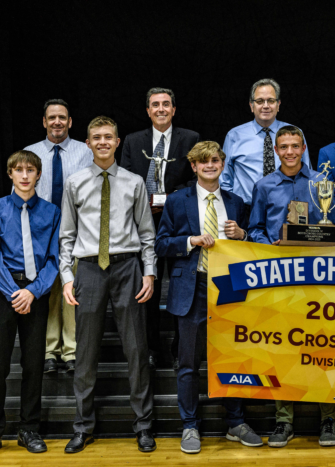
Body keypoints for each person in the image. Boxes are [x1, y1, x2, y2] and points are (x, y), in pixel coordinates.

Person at [155, 141, 263, 454]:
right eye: (203, 162)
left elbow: (253, 244)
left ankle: (236, 422)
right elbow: (161, 244)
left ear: (222, 164)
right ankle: (190, 426)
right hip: (193, 288)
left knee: (232, 360)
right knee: (188, 364)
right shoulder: (177, 201)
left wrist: (243, 235)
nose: (210, 166)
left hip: (230, 288)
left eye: (215, 160)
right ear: (194, 167)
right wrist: (189, 240)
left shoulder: (235, 201)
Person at [59, 116, 156, 453]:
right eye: (96, 137)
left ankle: (143, 426)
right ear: (87, 143)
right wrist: (67, 278)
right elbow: (66, 237)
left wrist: (149, 273)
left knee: (136, 350)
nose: (102, 142)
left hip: (127, 267)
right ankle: (83, 427)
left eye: (108, 137)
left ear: (118, 142)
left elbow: (146, 235)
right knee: (85, 353)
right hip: (88, 270)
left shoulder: (134, 182)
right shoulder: (74, 183)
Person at [248, 125, 335, 447]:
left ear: (303, 148)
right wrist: (270, 246)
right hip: (280, 279)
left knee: (326, 350)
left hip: (319, 279)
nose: (289, 152)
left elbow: (332, 229)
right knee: (284, 351)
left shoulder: (322, 183)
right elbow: (254, 229)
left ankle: (328, 419)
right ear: (276, 150)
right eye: (283, 146)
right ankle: (283, 421)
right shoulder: (264, 186)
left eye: (294, 146)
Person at [0, 150, 61, 458]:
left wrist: (33, 292)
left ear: (38, 175)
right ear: (10, 174)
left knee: (34, 364)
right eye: (19, 170)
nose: (25, 175)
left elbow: (53, 259)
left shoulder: (51, 212)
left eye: (30, 170)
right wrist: (15, 292)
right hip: (5, 290)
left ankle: (29, 429)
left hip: (36, 291)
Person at [121, 87, 200, 370]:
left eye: (166, 104)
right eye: (155, 105)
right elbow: (125, 181)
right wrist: (146, 201)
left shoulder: (190, 139)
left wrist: (170, 200)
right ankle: (151, 349)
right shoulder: (133, 141)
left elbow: (196, 181)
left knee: (181, 290)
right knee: (147, 292)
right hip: (144, 225)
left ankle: (180, 348)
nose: (161, 109)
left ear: (174, 109)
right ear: (148, 110)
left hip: (179, 225)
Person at [24, 99, 93, 374]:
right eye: (51, 117)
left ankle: (72, 351)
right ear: (44, 121)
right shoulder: (30, 153)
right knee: (48, 292)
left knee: (71, 291)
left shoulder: (85, 152)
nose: (57, 122)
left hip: (75, 232)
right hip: (41, 234)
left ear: (70, 121)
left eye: (62, 117)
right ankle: (50, 351)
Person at [220, 78, 312, 206]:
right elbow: (224, 179)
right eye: (259, 101)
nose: (266, 106)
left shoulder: (295, 133)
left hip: (288, 209)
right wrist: (233, 206)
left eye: (271, 100)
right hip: (246, 210)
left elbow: (306, 174)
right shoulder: (234, 136)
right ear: (251, 106)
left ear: (278, 104)